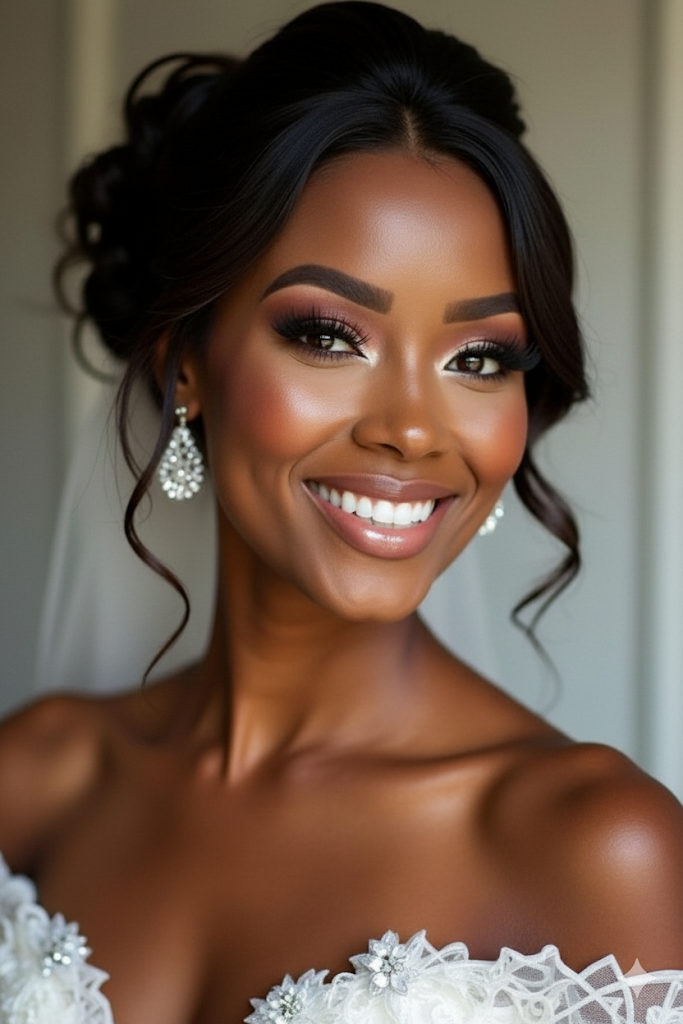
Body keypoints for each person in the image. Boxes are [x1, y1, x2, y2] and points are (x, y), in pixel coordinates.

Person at [1, 3, 682, 1022]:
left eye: (479, 357)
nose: (412, 428)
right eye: (328, 335)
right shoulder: (36, 778)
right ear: (185, 363)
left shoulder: (601, 849)